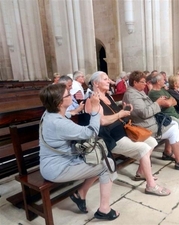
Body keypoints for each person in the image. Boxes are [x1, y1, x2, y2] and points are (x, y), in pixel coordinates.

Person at [39, 83, 119, 221]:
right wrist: (94, 109)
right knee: (108, 163)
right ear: (59, 103)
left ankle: (80, 193)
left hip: (54, 163)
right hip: (58, 168)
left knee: (97, 158)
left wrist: (73, 112)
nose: (71, 95)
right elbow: (91, 133)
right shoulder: (60, 124)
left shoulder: (49, 112)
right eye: (68, 94)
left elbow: (64, 117)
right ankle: (104, 210)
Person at [88, 71, 171, 196]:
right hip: (110, 139)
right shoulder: (92, 100)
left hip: (123, 133)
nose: (109, 81)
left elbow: (114, 115)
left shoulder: (108, 96)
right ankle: (150, 186)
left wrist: (124, 110)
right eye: (105, 79)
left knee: (152, 141)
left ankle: (141, 172)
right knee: (143, 148)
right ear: (96, 83)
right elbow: (102, 121)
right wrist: (120, 114)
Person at [123, 70, 179, 170]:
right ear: (135, 82)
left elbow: (149, 107)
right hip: (143, 126)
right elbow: (144, 113)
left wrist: (158, 102)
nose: (145, 84)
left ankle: (169, 153)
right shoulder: (132, 95)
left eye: (145, 82)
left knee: (172, 123)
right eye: (143, 82)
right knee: (174, 127)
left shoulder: (137, 92)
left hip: (148, 122)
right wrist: (158, 103)